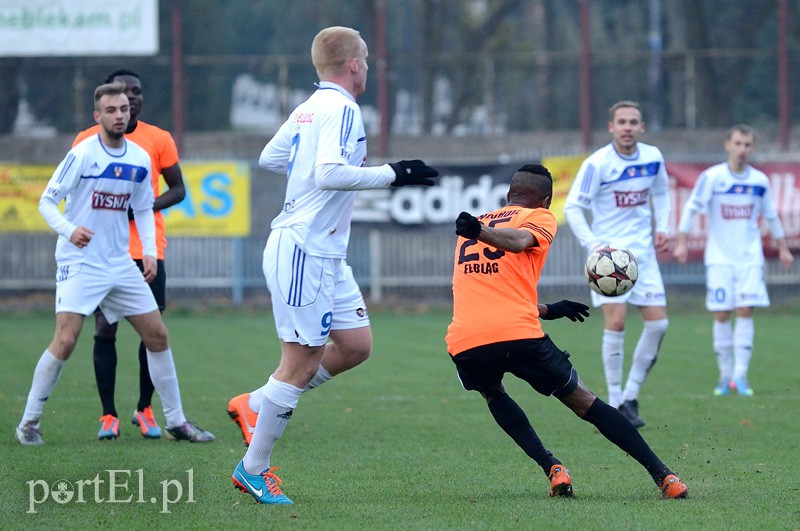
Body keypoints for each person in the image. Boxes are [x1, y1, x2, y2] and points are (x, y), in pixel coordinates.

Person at [227, 26, 438, 505]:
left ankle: (254, 403)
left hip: (324, 252)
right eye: (364, 58)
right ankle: (253, 469)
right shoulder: (342, 107)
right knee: (300, 365)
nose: (368, 65)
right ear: (353, 65)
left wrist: (310, 182)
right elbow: (327, 172)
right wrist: (394, 174)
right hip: (304, 250)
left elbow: (270, 157)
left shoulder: (309, 106)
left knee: (356, 345)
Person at [447, 163, 687, 499]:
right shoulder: (537, 217)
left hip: (466, 341)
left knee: (493, 393)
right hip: (519, 334)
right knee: (585, 402)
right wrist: (481, 233)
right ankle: (666, 478)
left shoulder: (477, 222)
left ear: (507, 195)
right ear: (545, 201)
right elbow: (517, 242)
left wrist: (548, 309)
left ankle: (553, 468)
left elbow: (489, 292)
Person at [15, 82, 213, 446]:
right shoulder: (83, 154)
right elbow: (47, 200)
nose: (119, 115)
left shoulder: (139, 157)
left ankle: (177, 421)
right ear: (98, 116)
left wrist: (149, 251)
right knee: (66, 339)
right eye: (111, 110)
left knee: (157, 335)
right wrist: (69, 229)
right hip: (80, 261)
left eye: (123, 109)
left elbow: (142, 207)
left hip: (120, 263)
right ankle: (29, 422)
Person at [73, 70, 186, 440]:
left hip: (149, 250)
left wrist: (143, 206)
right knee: (105, 330)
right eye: (123, 94)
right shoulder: (86, 141)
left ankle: (145, 408)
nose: (131, 99)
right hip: (104, 252)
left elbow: (178, 189)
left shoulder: (158, 139)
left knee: (152, 334)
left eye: (136, 92)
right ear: (106, 104)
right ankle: (109, 414)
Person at [563, 100, 671, 428]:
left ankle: (630, 395)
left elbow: (663, 193)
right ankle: (613, 403)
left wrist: (664, 227)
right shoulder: (597, 164)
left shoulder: (653, 158)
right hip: (609, 260)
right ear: (611, 127)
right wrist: (595, 246)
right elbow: (572, 208)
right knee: (618, 322)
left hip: (643, 257)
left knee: (658, 325)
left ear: (641, 127)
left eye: (633, 122)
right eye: (621, 122)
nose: (627, 127)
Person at [673, 124, 794, 396]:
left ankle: (740, 376)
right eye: (737, 143)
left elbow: (771, 215)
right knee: (722, 313)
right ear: (728, 145)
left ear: (753, 148)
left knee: (745, 311)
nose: (742, 149)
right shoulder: (712, 177)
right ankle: (724, 376)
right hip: (719, 258)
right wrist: (681, 242)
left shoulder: (759, 181)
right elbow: (692, 208)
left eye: (747, 144)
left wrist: (783, 248)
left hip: (749, 257)